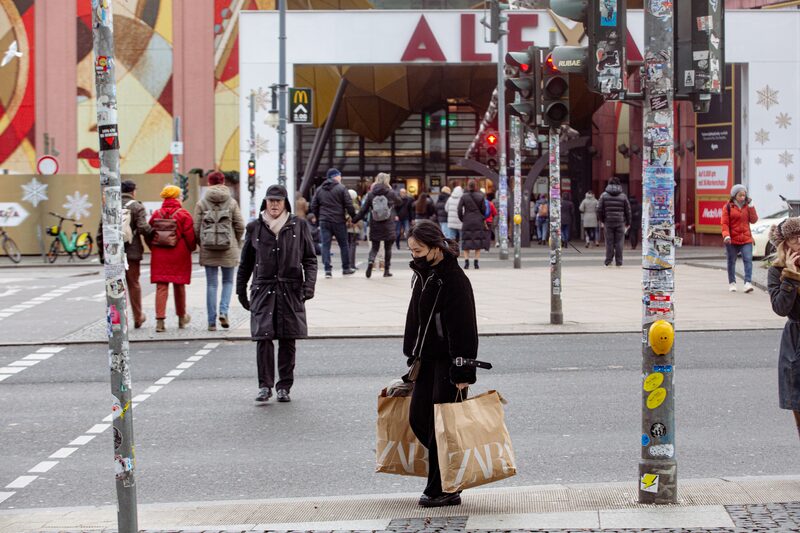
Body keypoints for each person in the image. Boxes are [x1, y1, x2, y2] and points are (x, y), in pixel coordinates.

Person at [403, 219, 479, 508]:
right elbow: (416, 318)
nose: (414, 255)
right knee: (419, 419)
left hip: (449, 363)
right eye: (411, 250)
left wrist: (464, 370)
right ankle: (447, 481)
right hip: (426, 359)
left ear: (436, 247)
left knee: (442, 427)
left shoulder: (454, 278)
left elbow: (465, 327)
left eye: (418, 250)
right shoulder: (423, 274)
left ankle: (442, 488)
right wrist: (413, 352)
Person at [237, 185, 317, 403]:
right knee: (263, 338)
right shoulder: (255, 227)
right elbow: (245, 263)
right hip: (263, 289)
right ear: (265, 202)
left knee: (287, 339)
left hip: (290, 289)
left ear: (285, 203)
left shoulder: (298, 225)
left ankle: (284, 386)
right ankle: (264, 386)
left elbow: (310, 259)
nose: (274, 205)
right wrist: (241, 291)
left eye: (278, 201)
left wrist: (308, 287)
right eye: (270, 201)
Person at [96, 180, 152, 328]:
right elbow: (142, 228)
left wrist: (103, 254)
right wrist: (153, 234)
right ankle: (138, 317)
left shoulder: (111, 205)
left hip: (113, 252)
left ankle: (117, 320)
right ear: (133, 191)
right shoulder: (137, 206)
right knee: (133, 284)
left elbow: (101, 232)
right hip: (132, 252)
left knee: (116, 286)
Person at [194, 171, 245, 331]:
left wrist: (201, 242)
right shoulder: (231, 202)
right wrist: (235, 241)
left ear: (209, 183)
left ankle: (211, 322)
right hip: (228, 247)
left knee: (211, 284)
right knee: (228, 282)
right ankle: (224, 311)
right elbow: (240, 225)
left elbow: (195, 227)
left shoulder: (201, 203)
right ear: (223, 183)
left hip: (208, 247)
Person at [767, 217, 800, 438]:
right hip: (795, 340)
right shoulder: (777, 270)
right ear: (785, 243)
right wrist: (790, 277)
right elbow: (780, 308)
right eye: (795, 239)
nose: (799, 242)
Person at [148, 185, 196, 333]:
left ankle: (160, 321)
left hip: (159, 254)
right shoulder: (183, 214)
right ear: (176, 198)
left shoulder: (156, 213)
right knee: (179, 285)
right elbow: (190, 236)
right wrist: (191, 248)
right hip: (179, 253)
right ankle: (181, 318)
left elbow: (149, 233)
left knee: (161, 287)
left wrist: (153, 248)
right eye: (180, 196)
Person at [310, 168, 356, 278]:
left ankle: (327, 270)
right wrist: (354, 217)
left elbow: (313, 205)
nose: (341, 177)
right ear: (335, 176)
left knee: (326, 245)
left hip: (324, 221)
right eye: (340, 175)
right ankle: (346, 268)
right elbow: (349, 205)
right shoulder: (341, 188)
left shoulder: (320, 189)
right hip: (338, 220)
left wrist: (318, 216)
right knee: (343, 245)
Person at [353, 172, 399, 278]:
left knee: (374, 247)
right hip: (388, 224)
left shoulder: (371, 194)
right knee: (388, 248)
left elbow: (363, 210)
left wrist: (355, 219)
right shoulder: (390, 193)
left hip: (375, 224)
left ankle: (371, 261)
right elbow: (400, 201)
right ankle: (386, 271)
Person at [721, 184, 758, 293]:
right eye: (740, 195)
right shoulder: (727, 207)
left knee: (748, 260)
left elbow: (754, 220)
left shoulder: (748, 206)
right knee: (731, 261)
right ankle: (732, 283)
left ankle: (747, 283)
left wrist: (751, 206)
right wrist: (726, 235)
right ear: (734, 195)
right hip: (731, 240)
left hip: (746, 239)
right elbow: (724, 223)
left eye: (744, 195)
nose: (742, 197)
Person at [597, 177, 631, 267]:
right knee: (619, 242)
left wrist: (602, 220)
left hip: (608, 222)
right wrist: (628, 222)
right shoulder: (623, 196)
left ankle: (608, 261)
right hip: (620, 222)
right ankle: (619, 262)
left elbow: (599, 209)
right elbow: (628, 210)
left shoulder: (603, 195)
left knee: (609, 242)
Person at [458, 179, 490, 269]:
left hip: (467, 220)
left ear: (468, 186)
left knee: (466, 241)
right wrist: (481, 217)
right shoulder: (480, 196)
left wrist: (462, 219)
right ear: (476, 186)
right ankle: (476, 262)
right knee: (478, 241)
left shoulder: (464, 197)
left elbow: (459, 209)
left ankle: (466, 262)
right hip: (478, 220)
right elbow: (484, 210)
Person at [346, 189, 363, 271]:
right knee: (353, 245)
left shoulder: (344, 203)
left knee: (348, 245)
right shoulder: (355, 205)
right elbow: (358, 217)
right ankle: (352, 264)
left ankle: (348, 264)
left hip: (346, 227)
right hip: (354, 227)